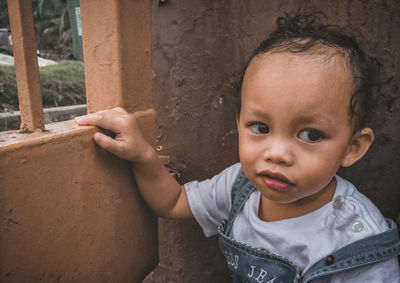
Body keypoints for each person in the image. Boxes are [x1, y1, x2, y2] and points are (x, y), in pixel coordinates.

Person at [75, 14, 400, 283]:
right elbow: (174, 201)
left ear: (353, 147)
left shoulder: (358, 245)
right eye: (260, 128)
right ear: (239, 122)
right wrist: (143, 156)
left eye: (310, 135)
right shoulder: (239, 186)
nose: (277, 153)